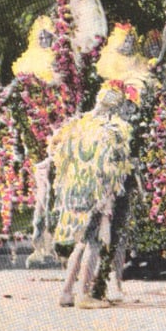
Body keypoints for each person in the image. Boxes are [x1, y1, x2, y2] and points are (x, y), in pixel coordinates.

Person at [49, 82, 138, 309]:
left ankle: (66, 291)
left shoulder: (77, 125)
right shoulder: (112, 130)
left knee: (80, 242)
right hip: (96, 193)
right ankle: (84, 294)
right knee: (94, 242)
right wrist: (107, 198)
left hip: (73, 192)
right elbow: (112, 168)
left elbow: (58, 154)